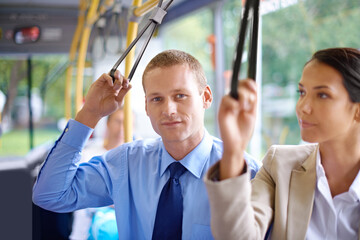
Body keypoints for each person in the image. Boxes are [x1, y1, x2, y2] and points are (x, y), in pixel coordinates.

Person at [32, 49, 261, 239]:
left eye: (180, 95)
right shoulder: (127, 163)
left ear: (206, 97)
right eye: (157, 99)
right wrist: (90, 114)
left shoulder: (245, 174)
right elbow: (49, 195)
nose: (169, 110)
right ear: (146, 106)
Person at [204, 47, 360, 239]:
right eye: (302, 92)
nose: (303, 107)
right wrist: (234, 149)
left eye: (322, 95)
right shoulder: (279, 165)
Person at [70, 107, 125, 240]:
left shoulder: (133, 159)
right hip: (92, 223)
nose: (122, 128)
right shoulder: (90, 155)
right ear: (108, 124)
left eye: (126, 123)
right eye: (118, 122)